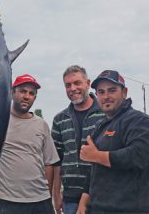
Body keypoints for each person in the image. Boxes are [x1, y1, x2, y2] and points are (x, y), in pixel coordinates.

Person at [80, 69, 149, 214]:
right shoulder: (100, 125)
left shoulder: (139, 120)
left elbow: (139, 155)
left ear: (124, 92)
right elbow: (94, 167)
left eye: (112, 90)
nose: (106, 96)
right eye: (101, 92)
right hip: (97, 208)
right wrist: (84, 200)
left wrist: (97, 156)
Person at [0, 74, 59, 214]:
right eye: (22, 91)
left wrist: (49, 195)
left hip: (40, 201)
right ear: (12, 93)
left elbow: (50, 162)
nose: (27, 96)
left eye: (31, 93)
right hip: (5, 200)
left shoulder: (41, 124)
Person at [51, 65, 104, 214]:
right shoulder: (59, 120)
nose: (72, 88)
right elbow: (56, 159)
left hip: (101, 197)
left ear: (87, 83)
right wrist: (56, 194)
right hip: (70, 199)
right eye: (68, 85)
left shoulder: (105, 114)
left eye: (77, 83)